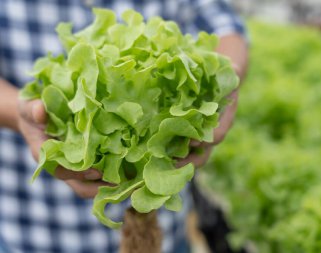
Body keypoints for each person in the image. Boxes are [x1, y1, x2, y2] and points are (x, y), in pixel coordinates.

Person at [0, 0, 248, 252]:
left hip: (163, 233)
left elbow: (222, 23)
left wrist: (225, 80)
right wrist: (17, 112)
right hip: (37, 230)